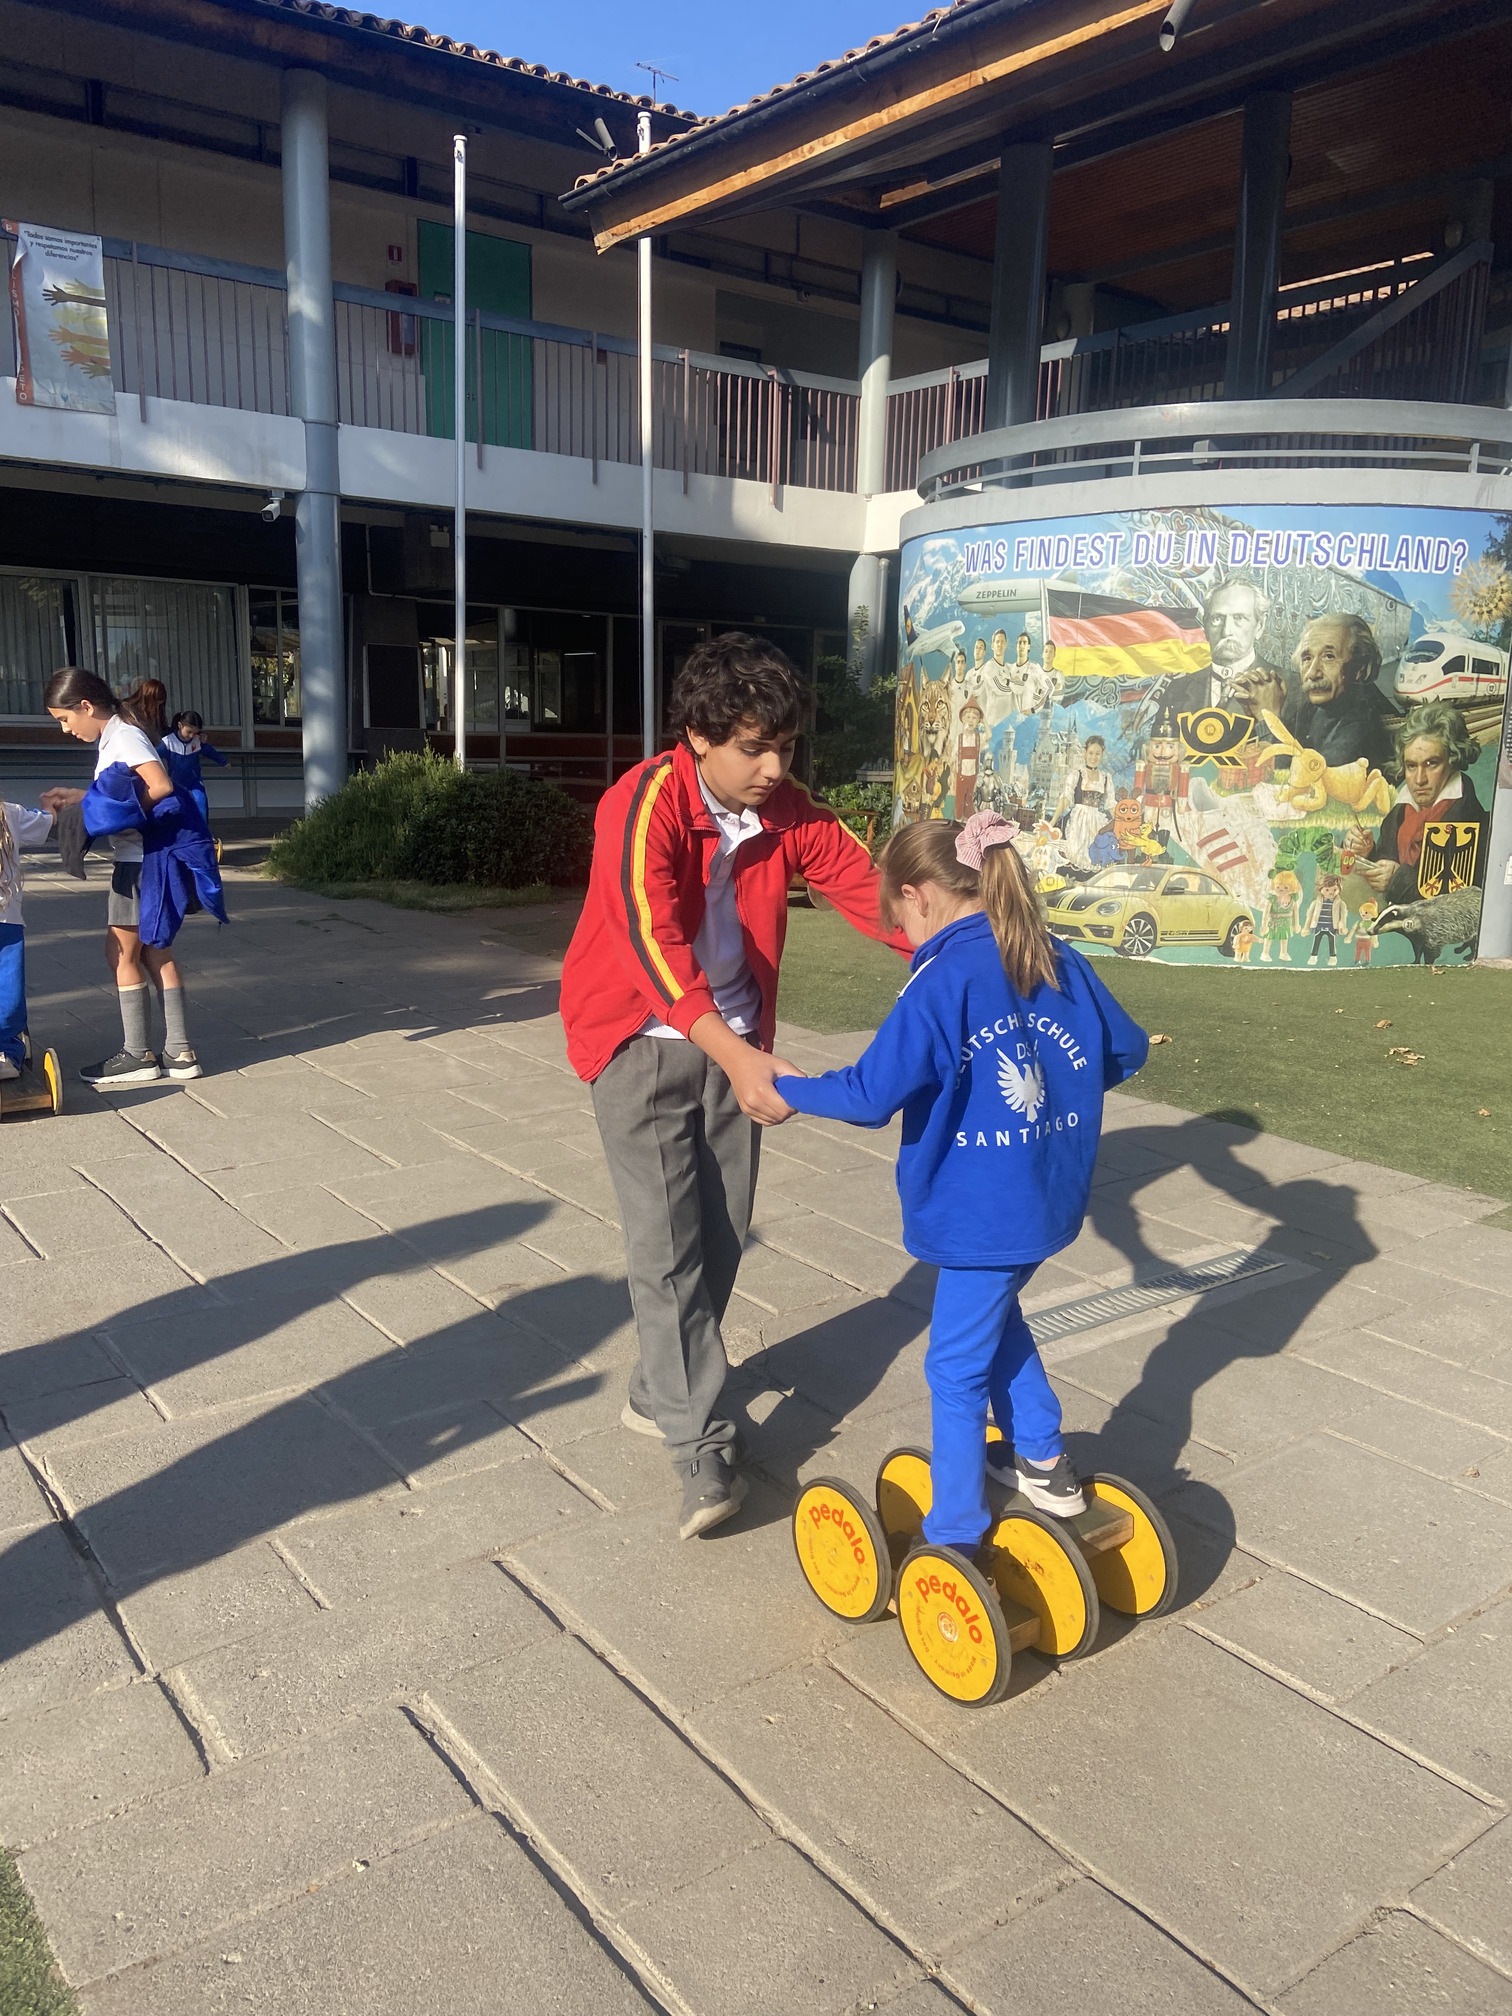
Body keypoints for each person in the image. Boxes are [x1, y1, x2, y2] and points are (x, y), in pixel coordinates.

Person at [559, 633, 909, 1542]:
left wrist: (982, 948)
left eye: (785, 747)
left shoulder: (789, 811)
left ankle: (659, 1388)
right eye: (754, 748)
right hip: (638, 1042)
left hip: (737, 1043)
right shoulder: (642, 802)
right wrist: (734, 1053)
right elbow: (651, 940)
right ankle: (700, 1447)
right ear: (698, 736)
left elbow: (870, 893)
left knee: (721, 1237)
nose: (773, 768)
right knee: (666, 1247)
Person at [771, 811, 1148, 1555]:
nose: (905, 933)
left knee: (952, 1365)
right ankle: (1042, 1459)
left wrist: (787, 1088)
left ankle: (955, 1532)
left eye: (899, 917)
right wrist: (1058, 1092)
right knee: (995, 1318)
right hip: (1047, 1195)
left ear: (918, 895)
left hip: (981, 1210)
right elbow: (1125, 1050)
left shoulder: (942, 979)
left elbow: (869, 1095)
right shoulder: (1056, 955)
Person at [39, 667, 203, 1085]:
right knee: (155, 953)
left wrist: (116, 814)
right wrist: (83, 798)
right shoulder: (120, 734)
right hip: (149, 859)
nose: (65, 729)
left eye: (64, 719)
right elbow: (128, 789)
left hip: (137, 863)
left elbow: (159, 785)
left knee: (120, 954)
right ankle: (180, 1053)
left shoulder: (124, 736)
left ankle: (138, 1056)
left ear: (86, 706)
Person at [1349, 701, 1488, 907]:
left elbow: (1451, 904)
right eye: (1411, 766)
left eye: (1431, 764)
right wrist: (1367, 853)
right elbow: (1388, 864)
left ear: (1452, 761)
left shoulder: (1470, 823)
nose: (1419, 779)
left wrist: (1397, 879)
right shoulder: (1399, 813)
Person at [1280, 614, 1395, 772]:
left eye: (1329, 657)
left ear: (1359, 668)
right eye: (1307, 658)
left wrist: (1267, 716)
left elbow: (1308, 780)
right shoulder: (1315, 707)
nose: (1312, 673)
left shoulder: (1362, 720)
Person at [1164, 579, 1287, 723]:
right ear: (1206, 626)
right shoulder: (1176, 690)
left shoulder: (1291, 687)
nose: (1226, 631)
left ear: (1260, 625)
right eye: (1217, 619)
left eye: (1239, 618)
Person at [0, 799, 57, 1083]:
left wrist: (51, 813)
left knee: (8, 990)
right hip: (6, 918)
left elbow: (45, 822)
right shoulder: (10, 813)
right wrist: (52, 808)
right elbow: (47, 822)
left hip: (6, 919)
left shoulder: (9, 813)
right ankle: (7, 1049)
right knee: (7, 989)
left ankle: (6, 1050)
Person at [1055, 734, 1116, 867]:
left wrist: (1122, 822)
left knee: (1094, 854)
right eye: (1091, 753)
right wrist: (1052, 821)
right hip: (1078, 819)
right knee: (1075, 852)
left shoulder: (1105, 778)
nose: (1093, 757)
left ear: (1102, 755)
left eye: (1097, 754)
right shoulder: (1077, 775)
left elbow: (1111, 804)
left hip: (1095, 821)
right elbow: (1065, 798)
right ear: (1085, 753)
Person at [160, 709, 229, 828]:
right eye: (189, 732)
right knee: (175, 808)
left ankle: (203, 832)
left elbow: (209, 751)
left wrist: (224, 762)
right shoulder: (168, 742)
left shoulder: (197, 741)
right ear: (180, 725)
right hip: (175, 783)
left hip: (194, 781)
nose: (191, 736)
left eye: (195, 733)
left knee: (201, 802)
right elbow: (153, 755)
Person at [1301, 872, 1347, 966]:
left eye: (1335, 889)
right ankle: (1313, 956)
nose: (1331, 892)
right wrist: (1306, 927)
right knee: (1316, 940)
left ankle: (1333, 957)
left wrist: (1342, 925)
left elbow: (1343, 915)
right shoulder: (1316, 903)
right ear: (1321, 889)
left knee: (1332, 942)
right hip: (1319, 925)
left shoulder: (1340, 904)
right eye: (1327, 889)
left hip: (1332, 926)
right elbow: (1309, 915)